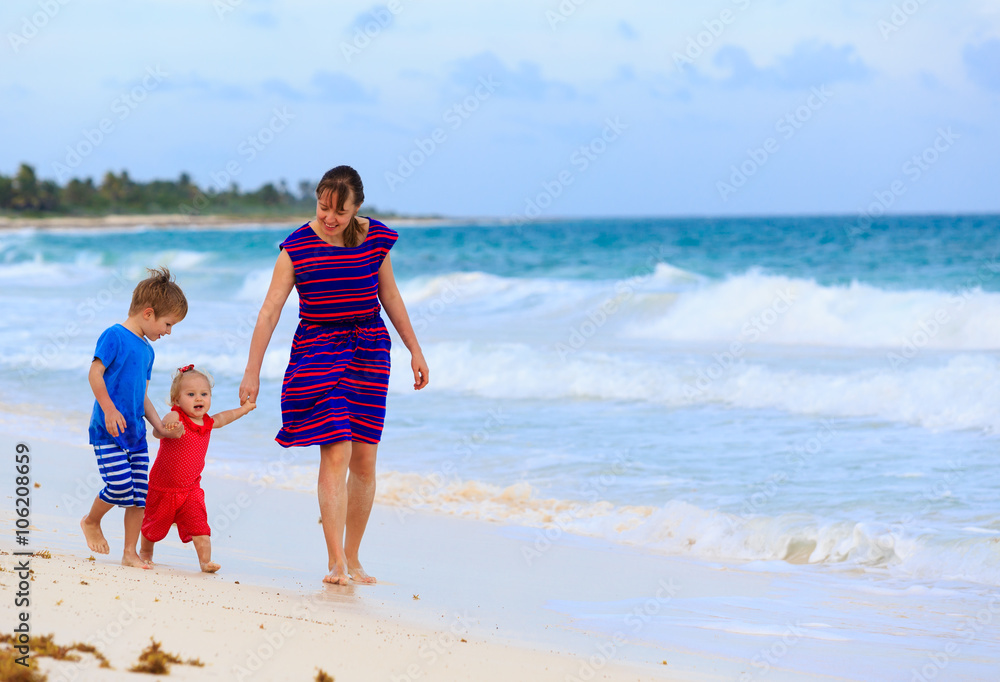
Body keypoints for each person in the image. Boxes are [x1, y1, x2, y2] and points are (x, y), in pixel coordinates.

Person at [239, 165, 429, 585]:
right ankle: (335, 562)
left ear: (357, 208)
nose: (329, 218)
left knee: (364, 459)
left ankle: (354, 556)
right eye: (324, 208)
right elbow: (270, 311)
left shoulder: (376, 238)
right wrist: (252, 371)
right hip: (318, 355)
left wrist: (415, 349)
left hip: (370, 351)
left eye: (340, 212)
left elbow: (391, 295)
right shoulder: (296, 248)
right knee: (336, 451)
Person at [81, 267, 187, 569]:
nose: (168, 332)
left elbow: (141, 397)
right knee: (118, 487)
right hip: (108, 431)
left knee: (140, 497)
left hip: (136, 436)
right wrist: (109, 409)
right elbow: (94, 373)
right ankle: (91, 520)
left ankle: (129, 552)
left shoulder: (147, 352)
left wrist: (160, 428)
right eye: (168, 324)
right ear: (149, 313)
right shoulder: (114, 336)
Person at [140, 365, 256, 572]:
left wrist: (244, 410)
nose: (199, 399)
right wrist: (169, 430)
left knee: (200, 526)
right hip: (163, 487)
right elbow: (158, 433)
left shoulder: (208, 422)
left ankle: (205, 561)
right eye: (191, 394)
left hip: (191, 490)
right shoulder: (175, 417)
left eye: (204, 394)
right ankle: (146, 553)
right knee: (153, 526)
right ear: (177, 400)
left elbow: (225, 417)